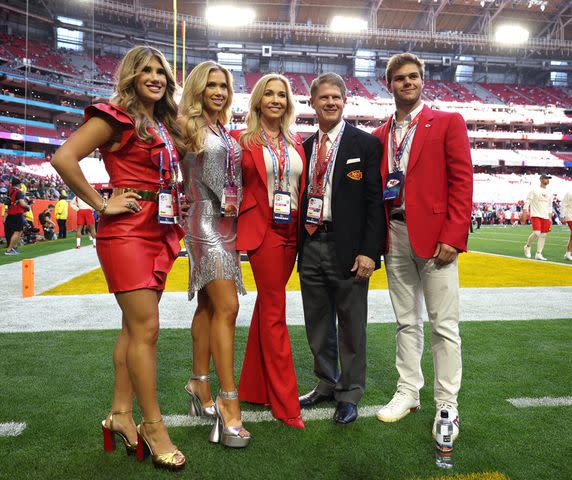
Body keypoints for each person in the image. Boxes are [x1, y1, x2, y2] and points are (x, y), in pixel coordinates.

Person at [51, 45, 186, 470]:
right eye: (145, 70)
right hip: (127, 229)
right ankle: (153, 424)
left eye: (161, 71)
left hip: (160, 227)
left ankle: (120, 415)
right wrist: (100, 202)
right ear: (130, 75)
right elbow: (63, 158)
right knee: (147, 330)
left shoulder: (163, 121)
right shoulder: (112, 116)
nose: (155, 77)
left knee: (133, 329)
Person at [372, 53, 473, 441]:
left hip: (436, 238)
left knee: (444, 326)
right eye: (400, 78)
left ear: (422, 81)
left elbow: (462, 182)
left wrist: (453, 235)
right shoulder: (381, 135)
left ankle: (447, 403)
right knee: (405, 322)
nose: (407, 83)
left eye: (413, 76)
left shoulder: (448, 122)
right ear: (389, 84)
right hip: (394, 234)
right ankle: (408, 391)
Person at [297, 73, 385, 425]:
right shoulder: (303, 149)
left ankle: (349, 393)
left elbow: (375, 202)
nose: (330, 102)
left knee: (351, 324)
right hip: (312, 243)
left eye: (336, 97)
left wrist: (369, 251)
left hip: (350, 249)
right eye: (324, 98)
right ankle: (326, 382)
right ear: (313, 103)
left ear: (344, 101)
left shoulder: (364, 145)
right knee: (317, 323)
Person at [178, 61, 250, 448]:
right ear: (198, 89)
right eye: (211, 85)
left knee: (208, 307)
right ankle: (228, 403)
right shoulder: (187, 126)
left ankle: (198, 382)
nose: (219, 91)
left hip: (226, 225)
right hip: (205, 225)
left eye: (224, 85)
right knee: (227, 308)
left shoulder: (221, 127)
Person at [231, 74, 306, 429]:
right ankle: (286, 403)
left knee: (267, 306)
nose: (276, 99)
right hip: (263, 233)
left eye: (282, 95)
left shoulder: (296, 142)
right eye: (269, 94)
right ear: (258, 101)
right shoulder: (241, 141)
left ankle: (254, 387)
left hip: (293, 230)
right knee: (276, 309)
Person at [523, 174, 552, 261]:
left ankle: (538, 253)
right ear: (541, 179)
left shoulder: (550, 192)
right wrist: (525, 211)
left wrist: (550, 217)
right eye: (546, 178)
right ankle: (527, 246)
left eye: (548, 179)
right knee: (536, 233)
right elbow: (528, 201)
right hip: (536, 214)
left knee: (543, 235)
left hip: (545, 216)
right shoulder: (534, 190)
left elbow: (550, 206)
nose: (548, 180)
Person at [4, 177, 30, 255]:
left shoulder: (10, 191)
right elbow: (22, 203)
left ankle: (13, 247)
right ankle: (9, 250)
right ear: (19, 184)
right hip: (17, 214)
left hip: (10, 214)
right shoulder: (19, 192)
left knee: (18, 231)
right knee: (17, 231)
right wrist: (28, 207)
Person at [561, 190, 572, 261]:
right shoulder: (569, 193)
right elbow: (563, 205)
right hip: (570, 216)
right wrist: (562, 216)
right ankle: (568, 253)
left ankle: (568, 253)